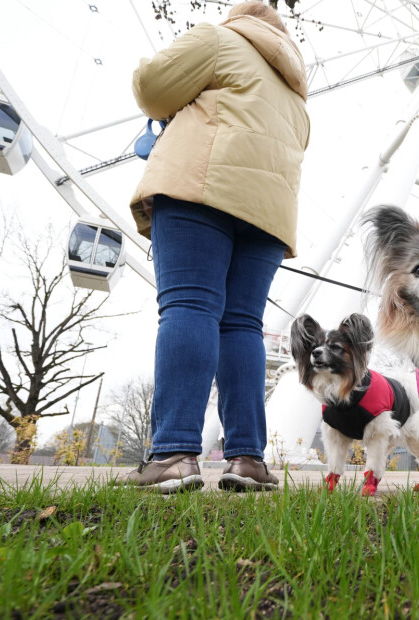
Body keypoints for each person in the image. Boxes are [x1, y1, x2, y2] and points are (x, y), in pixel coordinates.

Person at [119, 1, 310, 493]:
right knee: (243, 324)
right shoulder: (296, 96)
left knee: (189, 305)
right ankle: (247, 458)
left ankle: (174, 453)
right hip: (268, 214)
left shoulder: (220, 39)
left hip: (199, 188)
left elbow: (152, 86)